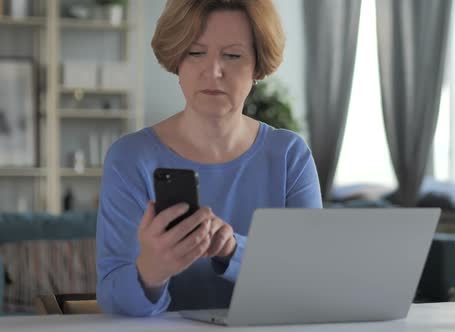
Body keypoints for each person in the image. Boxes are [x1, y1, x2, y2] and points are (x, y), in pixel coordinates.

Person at [96, 0, 322, 317]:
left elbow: (311, 281)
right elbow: (111, 297)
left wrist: (231, 250)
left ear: (257, 67)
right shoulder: (130, 158)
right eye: (196, 53)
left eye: (232, 55)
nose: (213, 71)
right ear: (177, 61)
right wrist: (151, 270)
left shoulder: (289, 156)